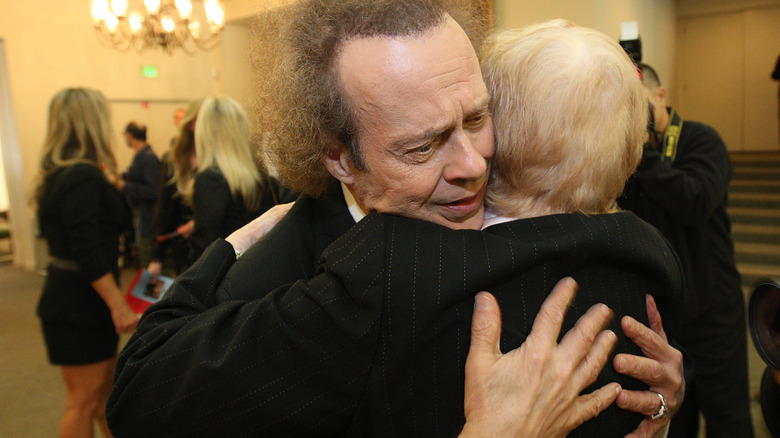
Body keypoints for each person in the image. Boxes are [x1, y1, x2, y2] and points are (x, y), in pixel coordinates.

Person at [107, 1, 683, 436]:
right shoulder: (291, 269)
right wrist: (230, 250)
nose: (472, 164)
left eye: (478, 117)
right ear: (340, 156)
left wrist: (654, 400)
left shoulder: (563, 226)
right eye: (422, 147)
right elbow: (139, 397)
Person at [619, 63, 754, 437]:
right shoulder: (627, 159)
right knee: (674, 423)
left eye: (641, 104)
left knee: (729, 420)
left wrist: (643, 154)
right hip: (664, 320)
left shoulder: (701, 140)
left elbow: (696, 200)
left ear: (661, 97)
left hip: (714, 313)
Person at [34, 88, 139, 438]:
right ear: (90, 124)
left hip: (77, 297)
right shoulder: (81, 175)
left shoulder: (64, 174)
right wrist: (118, 305)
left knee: (103, 397)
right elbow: (87, 248)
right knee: (82, 400)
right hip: (79, 301)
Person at [185, 95, 296, 262]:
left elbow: (206, 249)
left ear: (204, 134)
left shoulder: (210, 180)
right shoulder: (263, 178)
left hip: (227, 277)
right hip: (261, 270)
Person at [147, 99, 200, 278]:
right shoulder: (174, 158)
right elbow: (164, 209)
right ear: (192, 123)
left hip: (217, 244)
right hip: (183, 245)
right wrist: (157, 256)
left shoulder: (222, 158)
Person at [108, 121, 161, 268]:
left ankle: (151, 290)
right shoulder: (140, 156)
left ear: (129, 135)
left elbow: (153, 190)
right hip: (140, 214)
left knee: (147, 258)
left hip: (147, 216)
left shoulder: (148, 158)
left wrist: (124, 186)